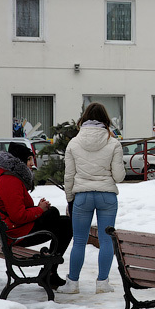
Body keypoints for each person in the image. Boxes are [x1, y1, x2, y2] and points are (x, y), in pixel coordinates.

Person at [59, 102, 126, 294]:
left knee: (79, 241)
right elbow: (119, 176)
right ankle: (103, 283)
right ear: (106, 120)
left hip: (82, 196)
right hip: (107, 197)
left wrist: (70, 198)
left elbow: (69, 176)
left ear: (84, 119)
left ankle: (72, 283)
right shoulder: (113, 143)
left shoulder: (74, 143)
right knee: (106, 241)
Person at [0, 142, 71, 288]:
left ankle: (50, 272)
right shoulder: (10, 181)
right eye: (29, 160)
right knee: (59, 219)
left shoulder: (10, 178)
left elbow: (17, 211)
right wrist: (40, 210)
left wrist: (39, 208)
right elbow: (18, 216)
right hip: (14, 235)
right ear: (19, 162)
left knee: (64, 222)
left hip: (11, 230)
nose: (32, 164)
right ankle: (49, 272)